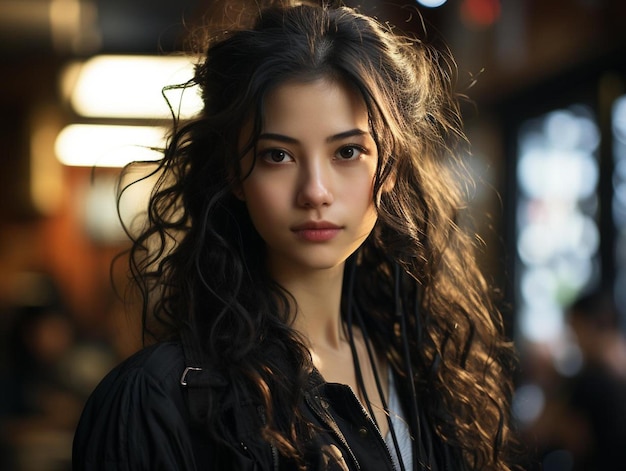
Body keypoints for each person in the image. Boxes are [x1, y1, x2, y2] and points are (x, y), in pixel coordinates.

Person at [72, 1, 517, 469]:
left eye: (347, 151)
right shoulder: (162, 397)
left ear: (390, 168)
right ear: (234, 174)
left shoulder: (425, 370)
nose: (315, 192)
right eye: (278, 156)